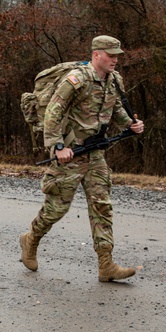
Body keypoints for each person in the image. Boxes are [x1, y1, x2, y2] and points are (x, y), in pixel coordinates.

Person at [19, 35, 146, 281]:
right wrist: (57, 147)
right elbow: (53, 113)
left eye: (117, 55)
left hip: (96, 152)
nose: (115, 59)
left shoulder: (114, 80)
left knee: (102, 206)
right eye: (111, 55)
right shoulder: (75, 80)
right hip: (71, 152)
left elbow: (115, 109)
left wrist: (130, 124)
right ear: (96, 54)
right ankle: (30, 239)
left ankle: (106, 265)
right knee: (57, 208)